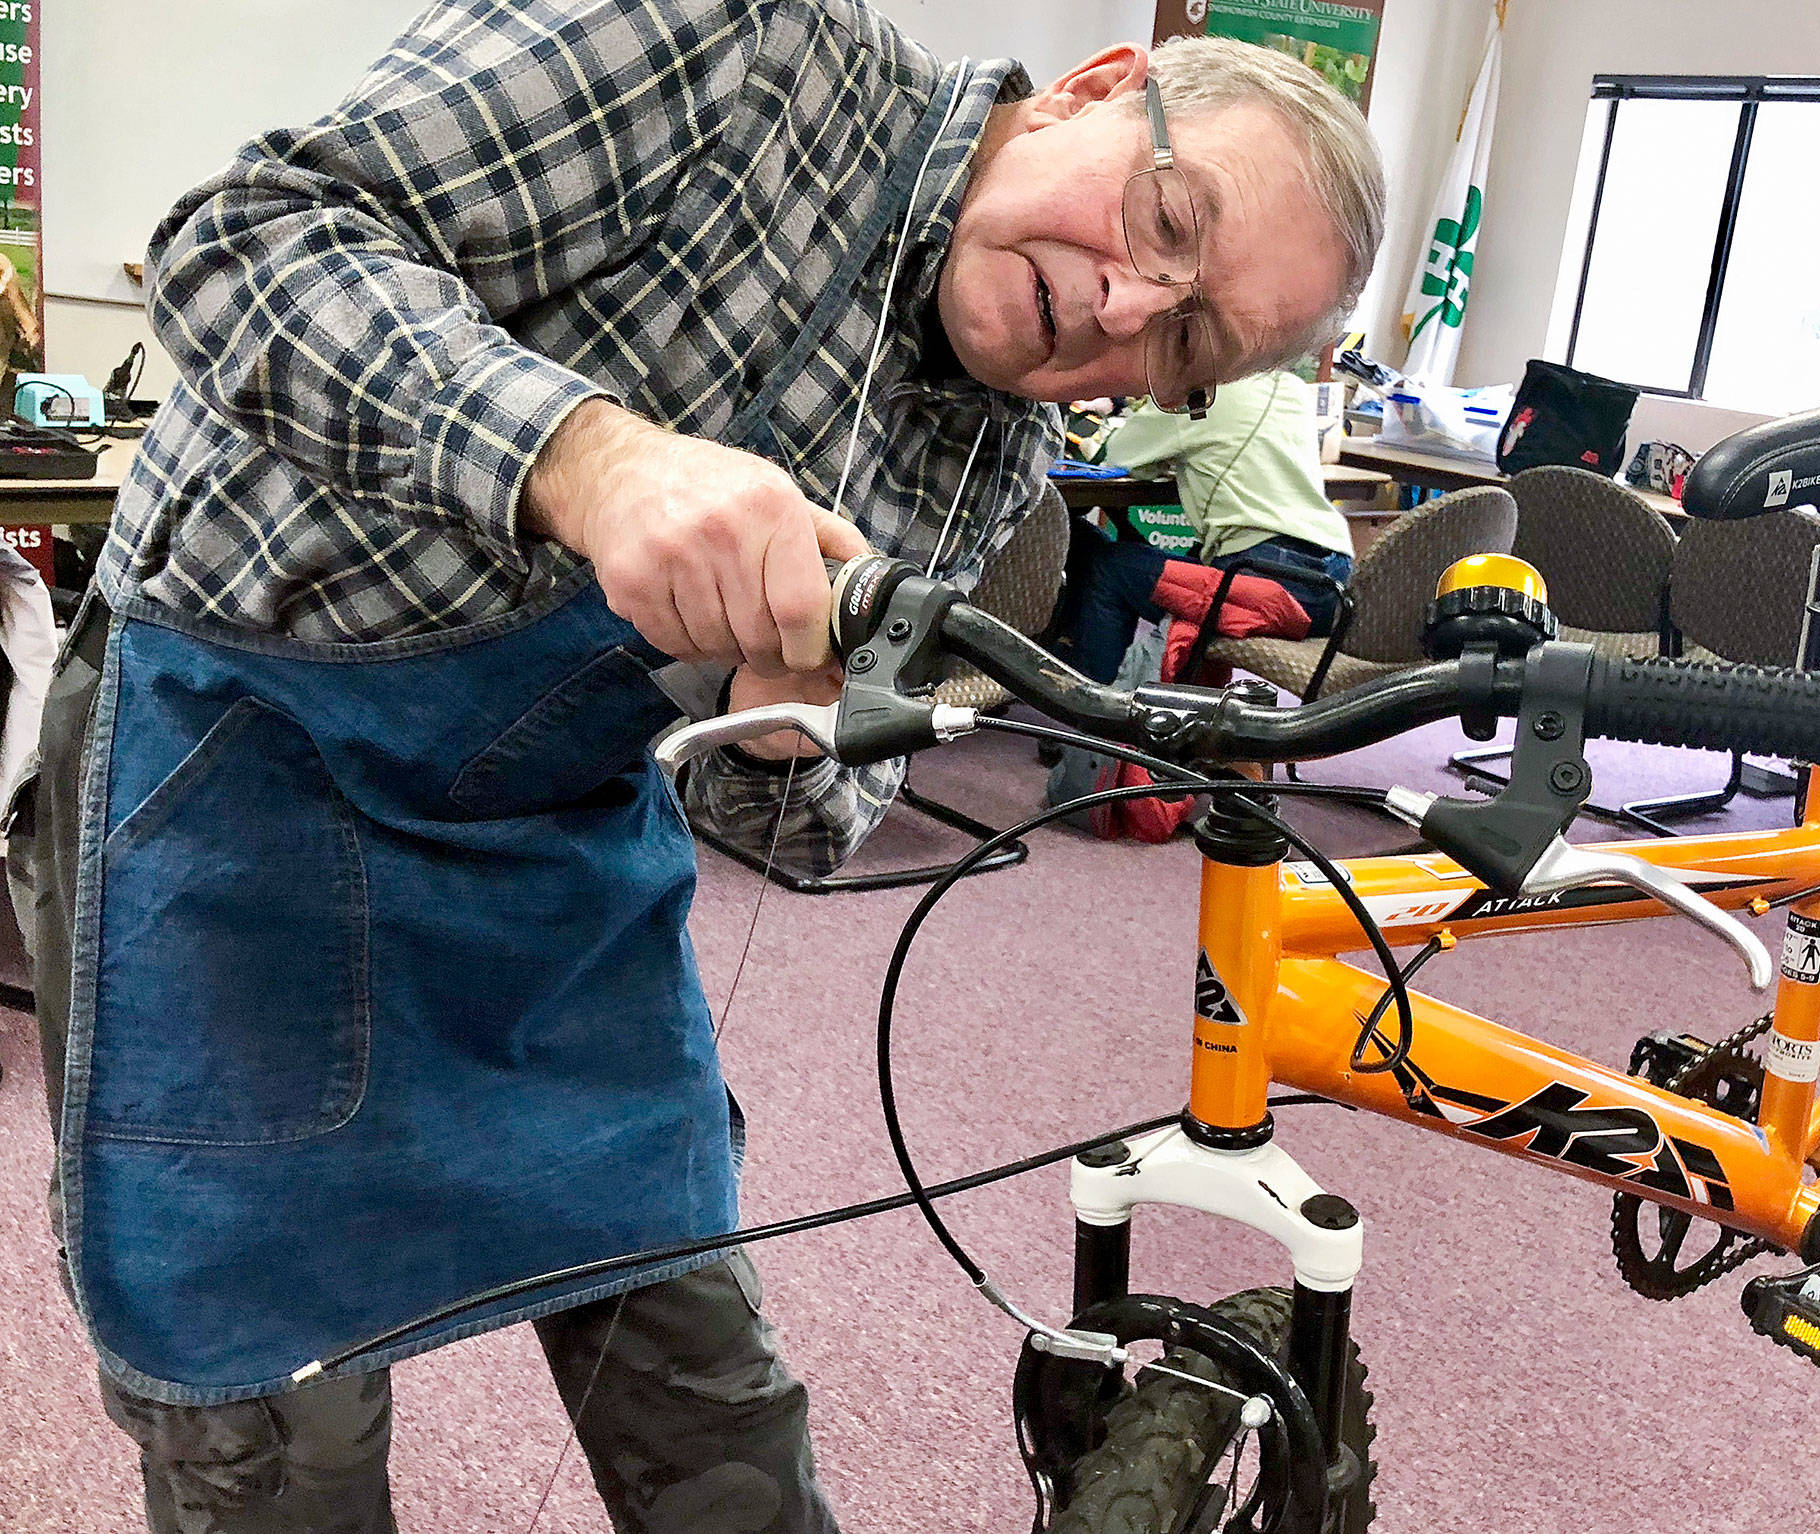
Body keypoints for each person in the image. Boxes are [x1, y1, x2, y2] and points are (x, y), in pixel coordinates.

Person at [8, 2, 1385, 1529]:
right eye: (1164, 217)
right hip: (231, 762)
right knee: (277, 1404)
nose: (1123, 307)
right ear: (1100, 87)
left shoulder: (993, 453)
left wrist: (787, 707)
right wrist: (593, 462)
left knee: (703, 1376)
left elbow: (796, 825)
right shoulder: (745, 45)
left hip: (543, 840)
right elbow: (243, 245)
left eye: (1187, 342)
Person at [1061, 368, 1357, 682]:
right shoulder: (1291, 386)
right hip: (1334, 587)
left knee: (1111, 566)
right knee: (1176, 560)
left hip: (1266, 585)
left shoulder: (1201, 395)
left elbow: (1116, 455)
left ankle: (1092, 706)